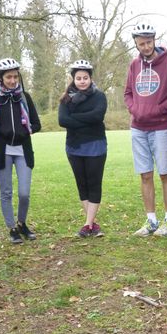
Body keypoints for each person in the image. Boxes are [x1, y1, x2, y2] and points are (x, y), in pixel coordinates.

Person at [124, 22, 167, 237]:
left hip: (161, 127)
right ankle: (151, 221)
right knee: (145, 175)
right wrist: (135, 109)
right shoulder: (134, 65)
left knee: (164, 173)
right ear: (136, 44)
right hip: (138, 128)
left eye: (149, 42)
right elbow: (128, 93)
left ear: (154, 40)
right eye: (141, 44)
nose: (146, 47)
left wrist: (157, 109)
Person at [0, 58, 41, 244]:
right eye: (8, 77)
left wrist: (24, 129)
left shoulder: (24, 97)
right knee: (6, 192)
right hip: (2, 149)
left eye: (15, 77)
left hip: (23, 149)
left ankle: (22, 223)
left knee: (24, 192)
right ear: (1, 78)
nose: (13, 81)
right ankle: (12, 228)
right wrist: (3, 131)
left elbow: (36, 124)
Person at [58, 60, 108, 238]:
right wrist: (85, 119)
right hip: (74, 147)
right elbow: (63, 120)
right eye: (78, 78)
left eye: (85, 78)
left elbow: (98, 116)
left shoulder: (99, 96)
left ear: (90, 78)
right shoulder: (66, 98)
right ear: (73, 79)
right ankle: (92, 225)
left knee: (94, 184)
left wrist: (75, 118)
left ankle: (87, 225)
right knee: (82, 185)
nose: (82, 81)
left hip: (96, 145)